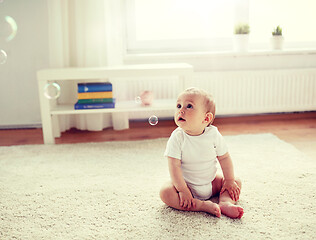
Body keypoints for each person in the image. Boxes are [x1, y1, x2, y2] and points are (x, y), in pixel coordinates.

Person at [159, 87, 244, 219]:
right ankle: (200, 205)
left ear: (206, 118)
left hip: (210, 183)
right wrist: (183, 190)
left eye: (189, 106)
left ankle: (225, 203)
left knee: (235, 181)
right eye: (179, 105)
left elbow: (224, 158)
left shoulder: (213, 135)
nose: (181, 110)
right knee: (165, 192)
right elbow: (173, 166)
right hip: (187, 185)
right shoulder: (177, 137)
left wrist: (229, 180)